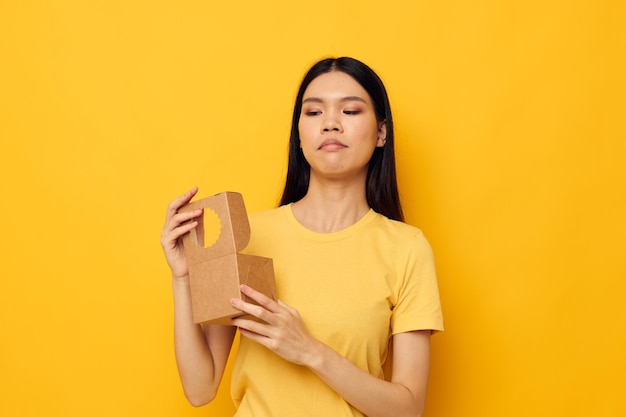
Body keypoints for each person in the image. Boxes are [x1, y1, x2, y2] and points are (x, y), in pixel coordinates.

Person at [160, 57, 443, 417]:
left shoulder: (406, 248)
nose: (330, 124)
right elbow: (200, 388)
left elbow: (408, 409)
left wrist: (308, 350)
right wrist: (183, 277)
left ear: (381, 132)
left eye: (351, 111)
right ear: (299, 133)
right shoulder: (250, 234)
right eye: (313, 113)